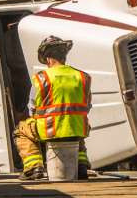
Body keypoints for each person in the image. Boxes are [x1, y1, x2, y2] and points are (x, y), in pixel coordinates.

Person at [14, 36, 92, 181]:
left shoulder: (41, 78)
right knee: (75, 131)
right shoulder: (83, 77)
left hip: (49, 131)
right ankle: (81, 166)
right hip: (77, 130)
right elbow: (87, 106)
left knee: (21, 131)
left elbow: (32, 107)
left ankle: (33, 168)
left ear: (48, 59)